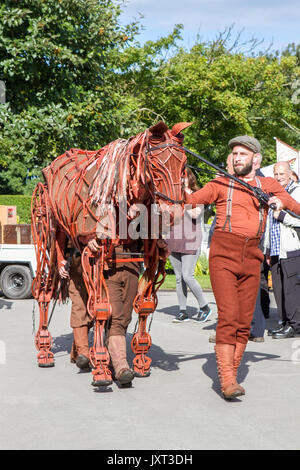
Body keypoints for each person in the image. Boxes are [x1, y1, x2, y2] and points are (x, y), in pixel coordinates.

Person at [185, 135, 300, 400]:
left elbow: (296, 208)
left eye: (243, 154)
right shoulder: (220, 183)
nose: (237, 158)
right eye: (235, 153)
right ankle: (227, 381)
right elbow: (192, 201)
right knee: (228, 316)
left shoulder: (269, 185)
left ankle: (232, 375)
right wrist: (176, 189)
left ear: (256, 158)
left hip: (252, 256)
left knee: (244, 321)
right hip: (223, 255)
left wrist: (281, 203)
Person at [57, 230, 141, 387]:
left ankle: (91, 354)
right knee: (83, 306)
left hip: (122, 260)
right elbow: (62, 232)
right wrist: (61, 260)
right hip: (83, 259)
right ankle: (87, 353)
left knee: (121, 315)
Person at [167, 168, 211, 323]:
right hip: (173, 239)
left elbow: (195, 214)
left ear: (189, 179)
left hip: (191, 240)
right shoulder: (172, 197)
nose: (180, 180)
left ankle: (204, 306)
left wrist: (183, 195)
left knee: (188, 276)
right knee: (179, 278)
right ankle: (183, 311)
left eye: (183, 178)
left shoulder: (198, 195)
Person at [263, 161, 300, 339]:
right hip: (276, 249)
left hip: (292, 248)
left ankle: (295, 325)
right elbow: (270, 223)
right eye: (275, 174)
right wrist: (268, 249)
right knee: (278, 289)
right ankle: (285, 322)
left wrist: (284, 216)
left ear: (290, 174)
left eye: (281, 174)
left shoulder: (297, 192)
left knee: (290, 289)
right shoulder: (272, 195)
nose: (278, 177)